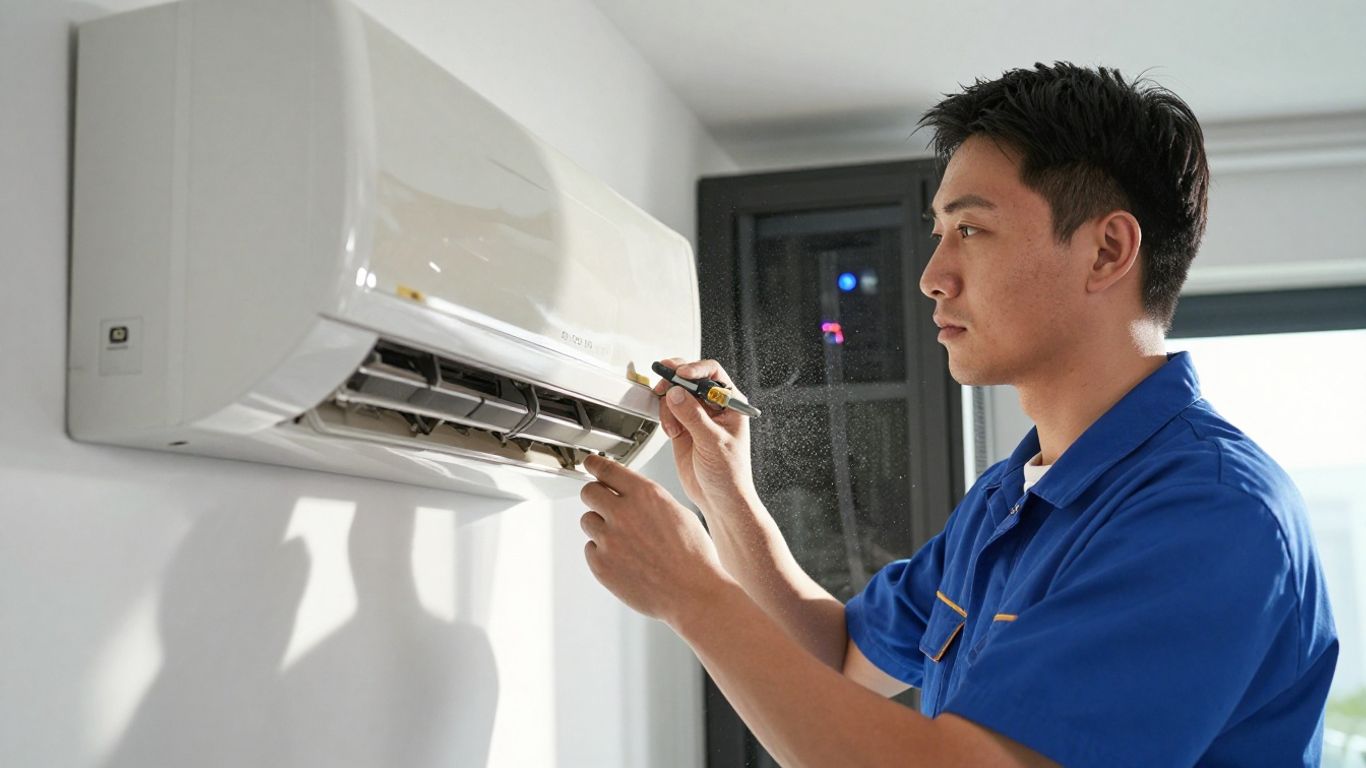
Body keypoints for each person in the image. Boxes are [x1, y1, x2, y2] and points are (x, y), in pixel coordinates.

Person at [577, 62, 1338, 767]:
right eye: (938, 233)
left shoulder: (1207, 513)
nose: (932, 276)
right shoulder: (1011, 502)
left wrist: (692, 596)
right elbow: (840, 657)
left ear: (1107, 251)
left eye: (970, 230)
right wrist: (723, 493)